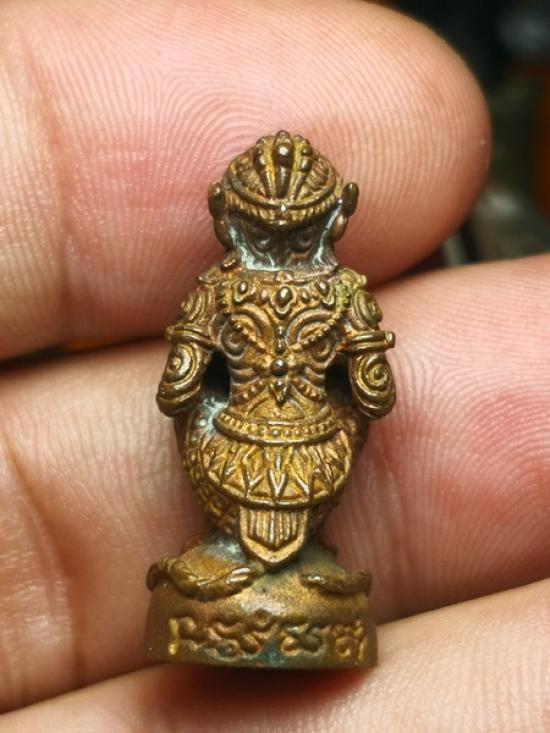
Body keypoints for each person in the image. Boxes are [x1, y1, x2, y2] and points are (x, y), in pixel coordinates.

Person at [0, 1, 547, 730]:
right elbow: (373, 397)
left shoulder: (221, 290)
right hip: (317, 451)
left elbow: (178, 392)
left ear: (225, 214)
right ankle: (288, 560)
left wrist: (222, 360)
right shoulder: (340, 293)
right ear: (339, 214)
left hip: (230, 453)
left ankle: (239, 557)